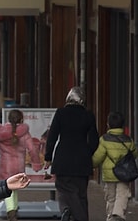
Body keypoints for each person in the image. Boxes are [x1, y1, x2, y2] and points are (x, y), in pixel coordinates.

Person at [43, 87, 99, 221]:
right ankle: (78, 215)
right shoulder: (88, 115)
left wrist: (48, 157)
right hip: (82, 160)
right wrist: (87, 152)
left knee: (63, 189)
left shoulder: (61, 113)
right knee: (80, 192)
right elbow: (94, 140)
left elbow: (52, 136)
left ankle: (66, 210)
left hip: (63, 159)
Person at [0, 109, 42, 221]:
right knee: (14, 188)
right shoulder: (24, 133)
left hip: (5, 167)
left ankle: (11, 212)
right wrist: (36, 164)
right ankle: (13, 209)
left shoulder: (0, 133)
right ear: (21, 119)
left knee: (8, 188)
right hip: (19, 166)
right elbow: (32, 149)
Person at [91, 111, 138, 221]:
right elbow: (135, 154)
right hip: (124, 174)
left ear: (108, 125)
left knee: (110, 197)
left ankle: (111, 216)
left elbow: (98, 157)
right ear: (122, 125)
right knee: (122, 194)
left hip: (109, 174)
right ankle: (118, 215)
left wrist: (92, 164)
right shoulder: (128, 140)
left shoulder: (104, 139)